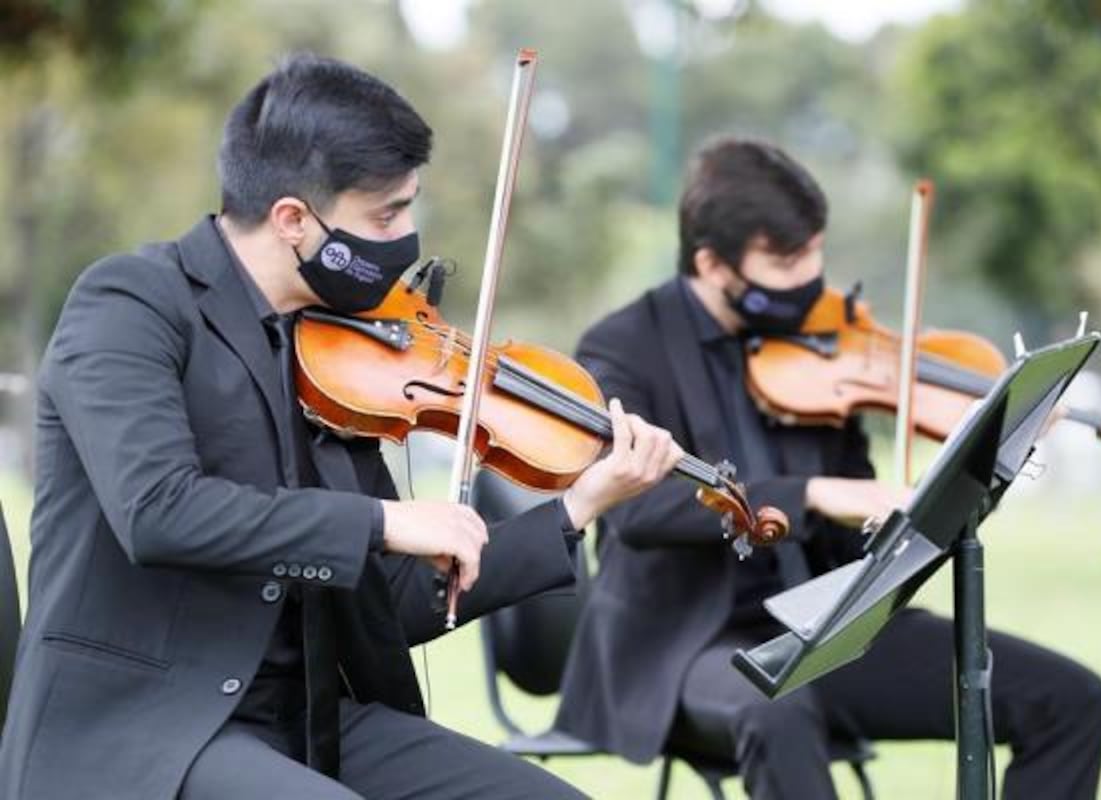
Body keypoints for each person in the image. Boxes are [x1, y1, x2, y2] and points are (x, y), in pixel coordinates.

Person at [0, 54, 683, 799]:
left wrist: (579, 504)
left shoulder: (343, 356)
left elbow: (391, 600)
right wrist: (385, 519)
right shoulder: (130, 302)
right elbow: (158, 512)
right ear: (294, 219)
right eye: (386, 215)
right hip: (139, 729)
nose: (407, 238)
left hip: (312, 725)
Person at [555, 138, 1101, 799]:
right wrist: (813, 493)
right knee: (776, 710)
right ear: (712, 262)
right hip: (687, 648)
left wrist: (985, 445)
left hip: (826, 627)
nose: (809, 280)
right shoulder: (622, 348)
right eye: (786, 261)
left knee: (1072, 700)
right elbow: (636, 509)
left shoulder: (827, 344)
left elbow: (856, 530)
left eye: (815, 251)